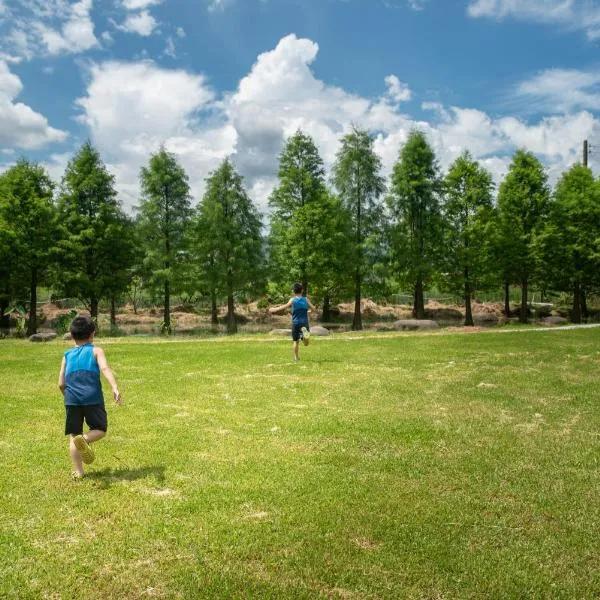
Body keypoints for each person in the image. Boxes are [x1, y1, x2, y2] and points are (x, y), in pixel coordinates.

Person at [58, 315, 121, 479]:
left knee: (74, 436)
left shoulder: (66, 355)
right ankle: (85, 440)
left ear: (72, 336)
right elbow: (105, 368)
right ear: (92, 334)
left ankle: (78, 472)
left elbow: (60, 383)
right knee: (100, 429)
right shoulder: (96, 350)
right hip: (92, 398)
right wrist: (114, 387)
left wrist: (68, 396)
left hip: (71, 399)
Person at [269, 283, 317, 361]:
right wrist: (311, 310)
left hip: (296, 323)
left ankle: (296, 358)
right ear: (302, 290)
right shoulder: (306, 299)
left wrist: (275, 309)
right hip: (304, 322)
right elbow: (314, 309)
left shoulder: (293, 300)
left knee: (295, 341)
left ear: (294, 291)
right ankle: (304, 336)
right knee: (306, 344)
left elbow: (285, 306)